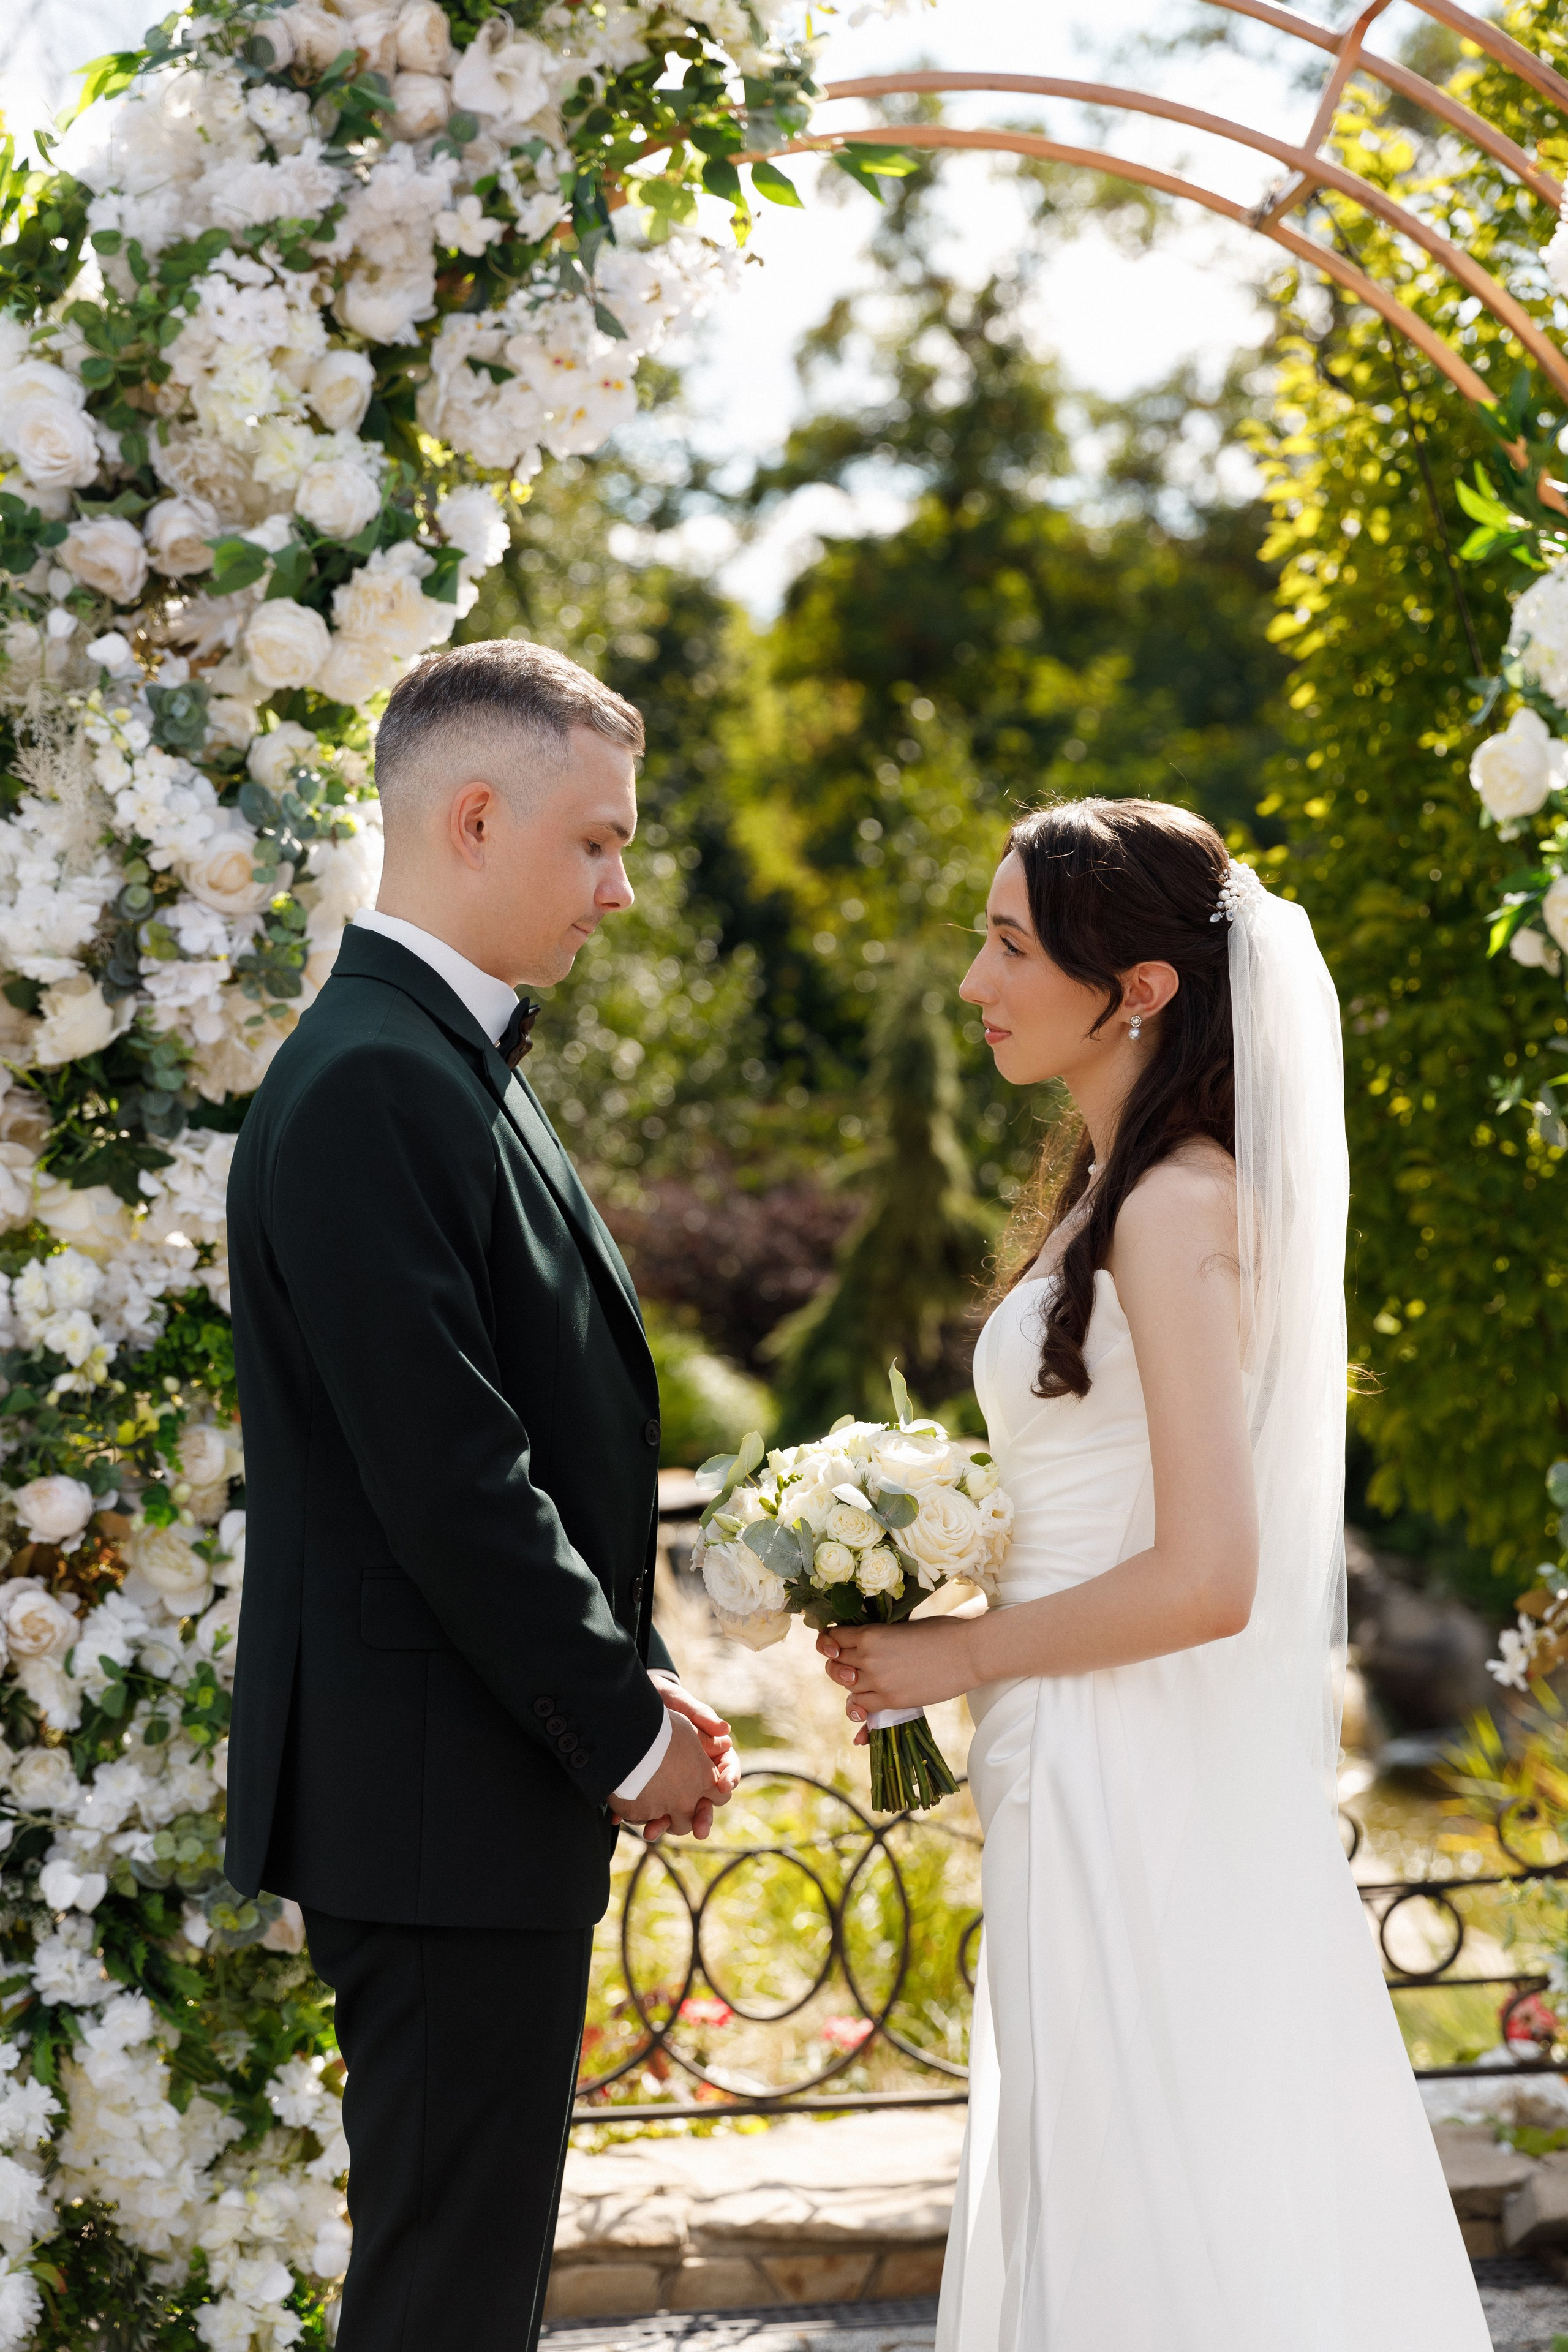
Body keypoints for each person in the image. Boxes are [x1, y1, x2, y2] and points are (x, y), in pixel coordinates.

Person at [818, 799, 1488, 2350]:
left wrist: (961, 1654)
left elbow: (1208, 1575)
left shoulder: (1176, 1207)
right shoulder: (1113, 1198)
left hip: (1128, 1754)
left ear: (1138, 988)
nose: (975, 983)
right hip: (1077, 1743)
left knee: (1151, 2177)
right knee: (1107, 2158)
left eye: (1008, 946)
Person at [224, 639, 739, 2352]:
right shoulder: (381, 1077)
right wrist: (620, 1726)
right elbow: (453, 1477)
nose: (618, 885)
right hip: (439, 1803)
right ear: (469, 817)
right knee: (447, 2297)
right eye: (594, 841)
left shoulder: (435, 1058)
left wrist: (626, 1686)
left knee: (470, 2285)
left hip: (460, 1797)